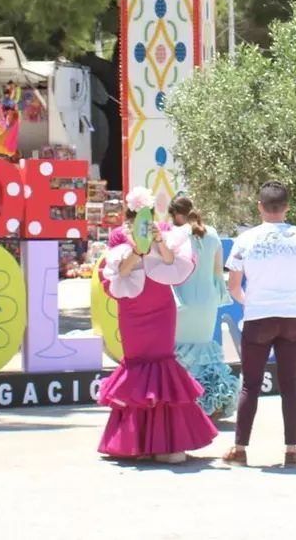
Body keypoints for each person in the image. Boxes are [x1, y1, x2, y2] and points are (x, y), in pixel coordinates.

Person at [96, 187, 216, 463]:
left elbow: (173, 260)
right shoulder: (118, 235)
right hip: (134, 308)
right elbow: (118, 272)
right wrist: (137, 251)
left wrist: (159, 240)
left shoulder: (163, 229)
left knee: (163, 363)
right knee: (138, 364)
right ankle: (139, 442)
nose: (143, 218)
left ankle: (167, 443)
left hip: (160, 306)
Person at [224, 181, 296, 468]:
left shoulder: (245, 240)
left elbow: (233, 285)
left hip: (258, 317)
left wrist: (248, 301)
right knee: (290, 385)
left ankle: (240, 449)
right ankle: (292, 450)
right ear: (287, 207)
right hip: (292, 317)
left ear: (260, 207)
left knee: (250, 386)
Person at [168, 196, 241, 420]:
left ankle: (181, 404)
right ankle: (212, 402)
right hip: (208, 301)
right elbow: (218, 272)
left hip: (183, 299)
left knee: (179, 353)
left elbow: (167, 267)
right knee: (205, 352)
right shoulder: (212, 233)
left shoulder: (175, 235)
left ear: (176, 215)